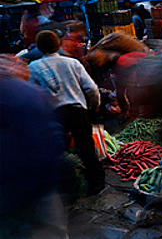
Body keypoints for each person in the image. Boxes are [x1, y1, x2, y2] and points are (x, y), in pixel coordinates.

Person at [29, 30, 105, 195]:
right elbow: (91, 88)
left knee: (59, 151)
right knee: (86, 148)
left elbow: (33, 95)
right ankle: (97, 183)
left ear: (39, 47)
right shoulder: (72, 63)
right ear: (58, 44)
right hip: (77, 111)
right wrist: (95, 105)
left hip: (54, 115)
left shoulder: (33, 67)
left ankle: (67, 186)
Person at [0, 73, 68, 239]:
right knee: (51, 230)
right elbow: (54, 136)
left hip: (8, 194)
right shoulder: (25, 91)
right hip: (38, 184)